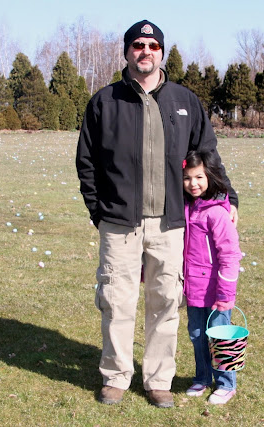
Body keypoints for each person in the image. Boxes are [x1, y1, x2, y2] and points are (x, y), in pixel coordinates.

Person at [75, 20, 238, 408]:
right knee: (116, 301)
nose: (145, 51)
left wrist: (228, 196)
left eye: (152, 46)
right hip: (119, 223)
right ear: (127, 51)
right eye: (138, 45)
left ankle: (158, 379)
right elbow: (87, 162)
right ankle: (115, 376)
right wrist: (99, 212)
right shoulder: (104, 102)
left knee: (165, 301)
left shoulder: (185, 100)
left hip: (170, 223)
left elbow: (207, 154)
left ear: (161, 52)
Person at [182, 150, 242, 405]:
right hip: (193, 288)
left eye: (199, 177)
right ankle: (203, 377)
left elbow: (230, 254)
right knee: (197, 334)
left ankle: (226, 384)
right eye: (187, 178)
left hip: (216, 290)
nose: (193, 183)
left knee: (220, 336)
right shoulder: (186, 209)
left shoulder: (217, 212)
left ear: (210, 177)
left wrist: (226, 293)